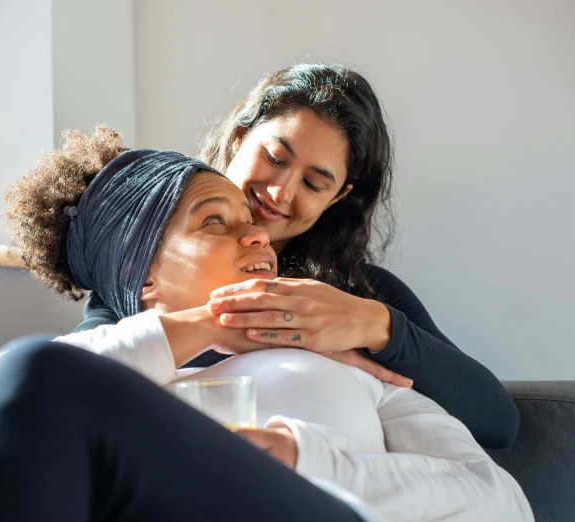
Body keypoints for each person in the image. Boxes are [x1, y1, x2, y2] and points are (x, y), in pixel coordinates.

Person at [0, 131, 532, 522]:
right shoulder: (112, 364)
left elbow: (501, 501)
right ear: (144, 282)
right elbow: (44, 392)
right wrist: (212, 328)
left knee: (29, 378)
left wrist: (305, 459)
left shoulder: (344, 357)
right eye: (216, 221)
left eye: (251, 222)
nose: (260, 237)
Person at [80, 63, 519, 448]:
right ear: (238, 139)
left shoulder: (363, 292)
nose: (279, 193)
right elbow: (70, 381)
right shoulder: (147, 263)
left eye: (314, 184)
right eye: (274, 157)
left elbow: (497, 421)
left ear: (337, 197)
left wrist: (373, 324)